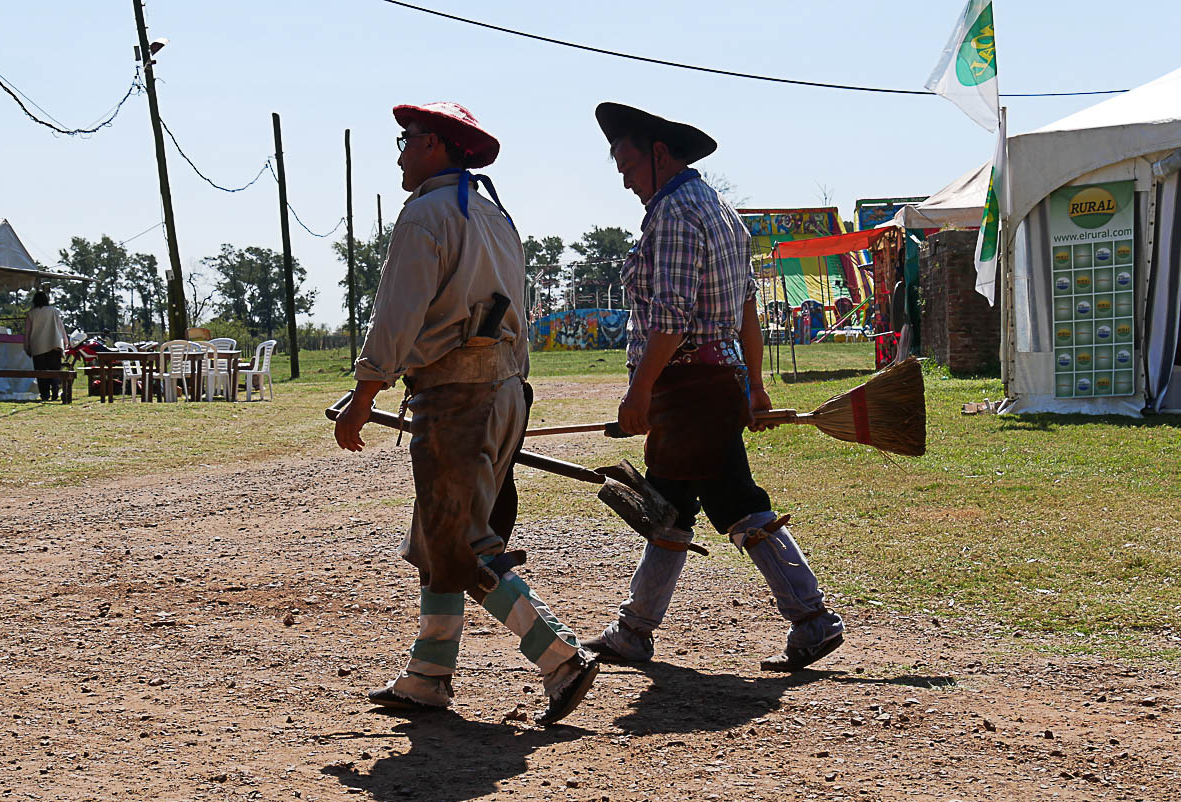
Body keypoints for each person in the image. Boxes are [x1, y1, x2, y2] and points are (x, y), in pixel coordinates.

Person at [334, 102, 599, 725]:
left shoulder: (427, 213)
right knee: (438, 535)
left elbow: (398, 314)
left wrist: (364, 393)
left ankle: (561, 658)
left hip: (456, 398)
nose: (399, 152)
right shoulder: (493, 214)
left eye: (406, 140)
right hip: (504, 390)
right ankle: (428, 675)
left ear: (435, 147)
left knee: (459, 542)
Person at [581, 103, 845, 673]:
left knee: (731, 504)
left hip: (690, 389)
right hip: (714, 383)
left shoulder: (673, 213)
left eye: (627, 163)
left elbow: (671, 319)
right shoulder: (720, 209)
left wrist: (639, 393)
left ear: (658, 153)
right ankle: (634, 630)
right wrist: (753, 384)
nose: (623, 177)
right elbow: (748, 307)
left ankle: (811, 617)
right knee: (673, 510)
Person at [22, 290, 69, 402]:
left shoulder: (31, 314)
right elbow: (61, 327)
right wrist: (66, 341)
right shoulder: (54, 311)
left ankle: (44, 394)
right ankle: (55, 392)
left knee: (41, 372)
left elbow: (27, 332)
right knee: (55, 371)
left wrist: (26, 345)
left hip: (38, 346)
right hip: (54, 344)